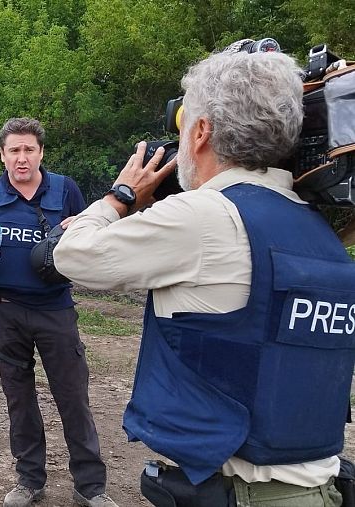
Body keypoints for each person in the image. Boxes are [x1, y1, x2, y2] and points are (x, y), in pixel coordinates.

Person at [54, 50, 355, 506]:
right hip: (317, 488)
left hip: (248, 494)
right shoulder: (319, 227)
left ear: (200, 132)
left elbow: (73, 255)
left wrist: (121, 197)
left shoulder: (206, 216)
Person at [0, 117, 117, 507]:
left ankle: (90, 487)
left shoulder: (66, 190)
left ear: (41, 152)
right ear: (2, 155)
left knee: (73, 398)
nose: (22, 157)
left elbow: (94, 240)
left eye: (29, 149)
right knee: (20, 401)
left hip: (55, 311)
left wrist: (80, 228)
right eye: (14, 150)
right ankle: (29, 481)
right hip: (4, 312)